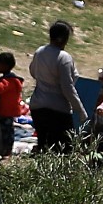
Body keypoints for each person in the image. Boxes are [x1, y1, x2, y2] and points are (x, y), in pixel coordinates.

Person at [29, 21, 88, 153]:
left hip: (37, 106)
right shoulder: (64, 58)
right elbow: (67, 87)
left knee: (44, 145)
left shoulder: (40, 52)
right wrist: (80, 109)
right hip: (57, 109)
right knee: (63, 149)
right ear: (64, 38)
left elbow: (33, 72)